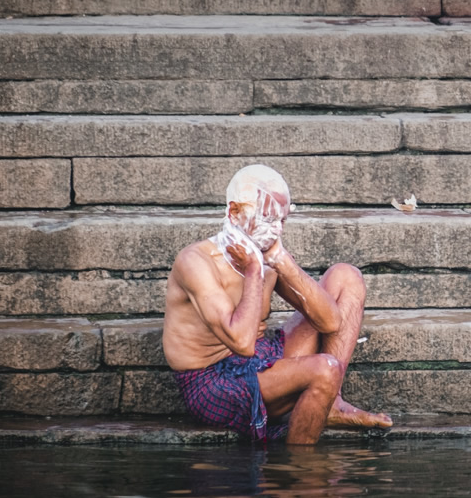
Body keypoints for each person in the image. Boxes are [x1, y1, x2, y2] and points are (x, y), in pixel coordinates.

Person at [162, 164, 392, 444]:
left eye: (282, 221)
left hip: (261, 358)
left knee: (346, 277)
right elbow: (242, 343)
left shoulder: (267, 253)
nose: (275, 231)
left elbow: (330, 322)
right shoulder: (196, 262)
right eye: (268, 219)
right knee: (325, 369)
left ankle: (331, 402)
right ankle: (297, 472)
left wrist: (281, 260)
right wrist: (253, 271)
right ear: (234, 213)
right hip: (214, 381)